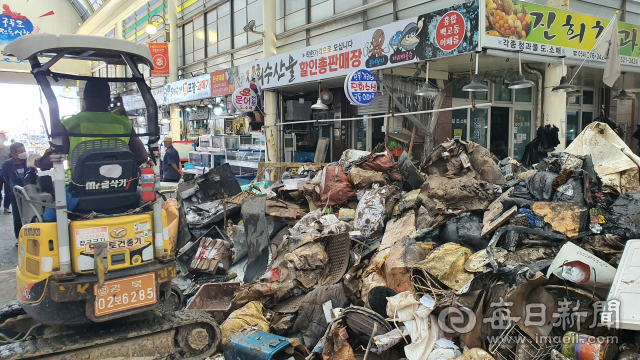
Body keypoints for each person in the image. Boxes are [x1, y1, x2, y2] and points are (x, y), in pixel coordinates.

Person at [36, 80, 148, 170]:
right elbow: (142, 156)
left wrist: (39, 162)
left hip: (78, 191)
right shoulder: (124, 124)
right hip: (119, 188)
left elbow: (52, 160)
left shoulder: (69, 124)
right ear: (108, 101)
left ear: (84, 101)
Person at [2, 143, 27, 244]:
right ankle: (19, 237)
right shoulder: (7, 164)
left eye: (24, 151)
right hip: (15, 193)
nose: (24, 153)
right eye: (21, 152)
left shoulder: (27, 161)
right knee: (17, 216)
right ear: (13, 153)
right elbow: (5, 178)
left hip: (29, 192)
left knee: (30, 213)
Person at [0, 132, 11, 213]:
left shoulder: (8, 148)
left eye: (2, 137)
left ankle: (6, 206)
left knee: (8, 189)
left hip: (7, 170)